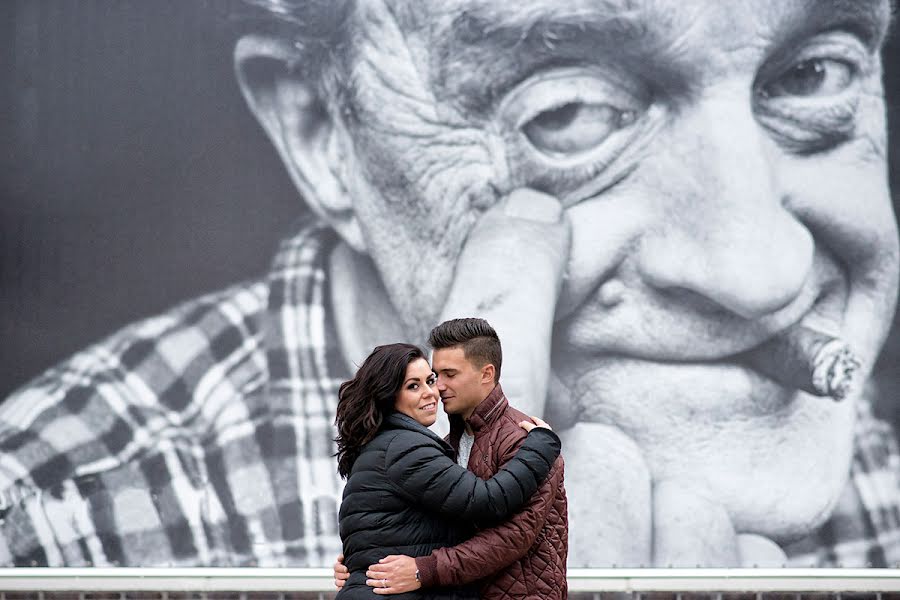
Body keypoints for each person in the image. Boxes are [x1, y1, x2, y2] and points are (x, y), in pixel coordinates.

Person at [1, 0, 898, 568]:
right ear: (324, 135)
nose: (762, 271)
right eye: (569, 113)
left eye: (812, 74)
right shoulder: (47, 536)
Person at [337, 318, 568, 599]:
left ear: (486, 374)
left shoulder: (525, 440)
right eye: (436, 376)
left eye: (448, 374)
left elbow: (513, 536)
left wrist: (424, 569)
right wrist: (364, 559)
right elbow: (414, 524)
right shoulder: (442, 447)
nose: (438, 388)